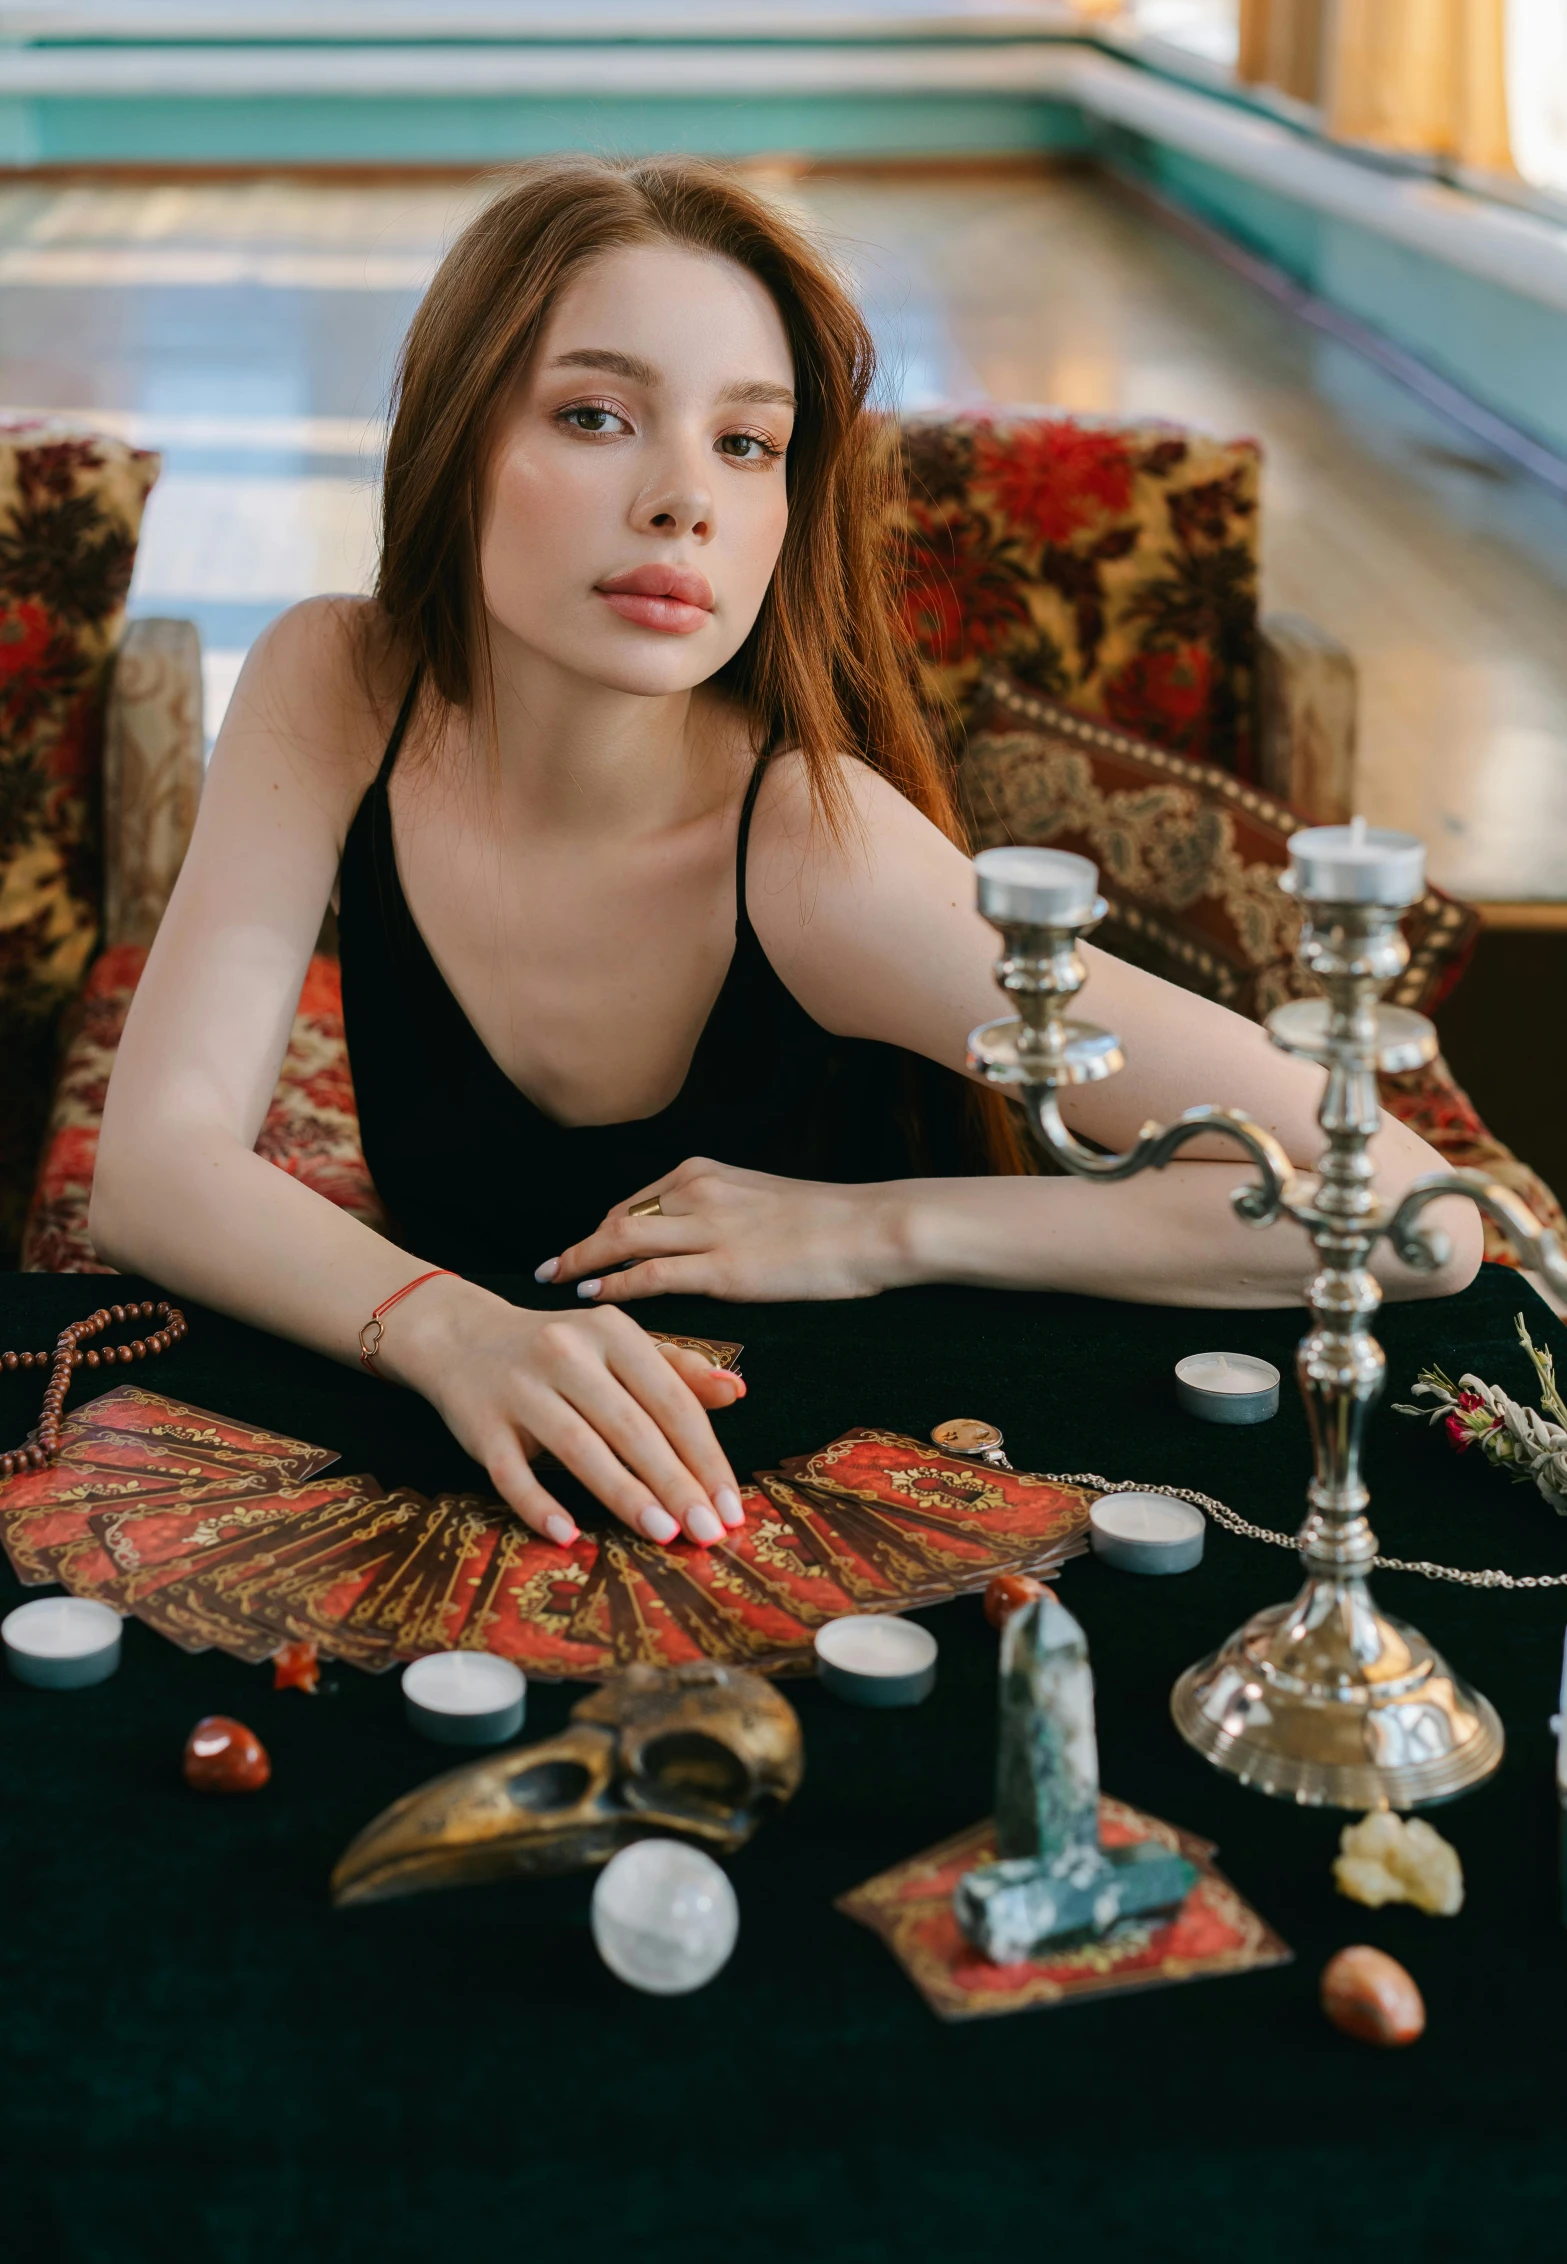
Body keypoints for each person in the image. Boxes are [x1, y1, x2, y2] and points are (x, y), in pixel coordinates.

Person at [91, 156, 1481, 1554]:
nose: (682, 498)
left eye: (746, 444)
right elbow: (152, 1166)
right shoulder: (338, 679)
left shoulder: (822, 862)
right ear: (455, 446)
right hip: (476, 1449)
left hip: (853, 1483)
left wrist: (872, 1230)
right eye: (594, 415)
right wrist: (444, 1323)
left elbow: (1417, 1214)